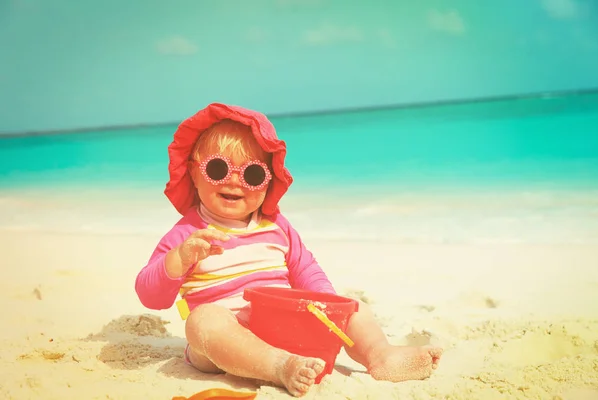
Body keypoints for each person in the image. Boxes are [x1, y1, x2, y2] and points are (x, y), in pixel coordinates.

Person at [135, 104, 442, 397]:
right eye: (217, 169)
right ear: (192, 172)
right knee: (202, 321)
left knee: (352, 306)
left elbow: (306, 270)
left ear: (269, 182)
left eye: (252, 174)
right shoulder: (187, 234)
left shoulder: (276, 226)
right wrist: (179, 260)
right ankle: (280, 366)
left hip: (282, 327)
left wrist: (329, 307)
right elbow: (150, 295)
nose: (234, 181)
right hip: (223, 344)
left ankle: (380, 355)